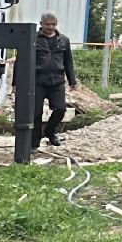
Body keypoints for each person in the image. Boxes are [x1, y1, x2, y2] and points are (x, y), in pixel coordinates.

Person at [33, 12, 79, 147]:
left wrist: (72, 81)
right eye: (47, 24)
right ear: (41, 24)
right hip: (38, 81)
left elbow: (68, 62)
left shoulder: (63, 40)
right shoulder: (33, 38)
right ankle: (34, 143)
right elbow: (21, 60)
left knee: (60, 109)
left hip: (57, 81)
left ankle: (50, 132)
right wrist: (16, 83)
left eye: (53, 24)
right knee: (36, 113)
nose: (50, 27)